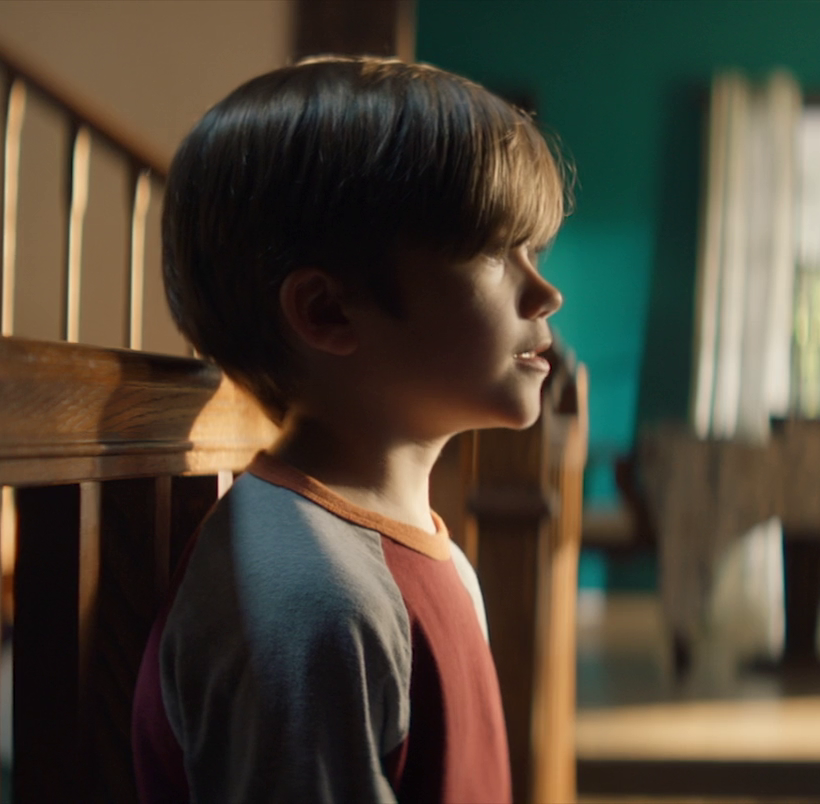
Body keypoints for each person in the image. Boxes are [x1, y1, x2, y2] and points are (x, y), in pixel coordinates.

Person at [131, 56, 566, 803]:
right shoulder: (313, 601)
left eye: (535, 252)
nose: (544, 293)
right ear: (326, 311)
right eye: (494, 252)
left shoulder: (398, 560)